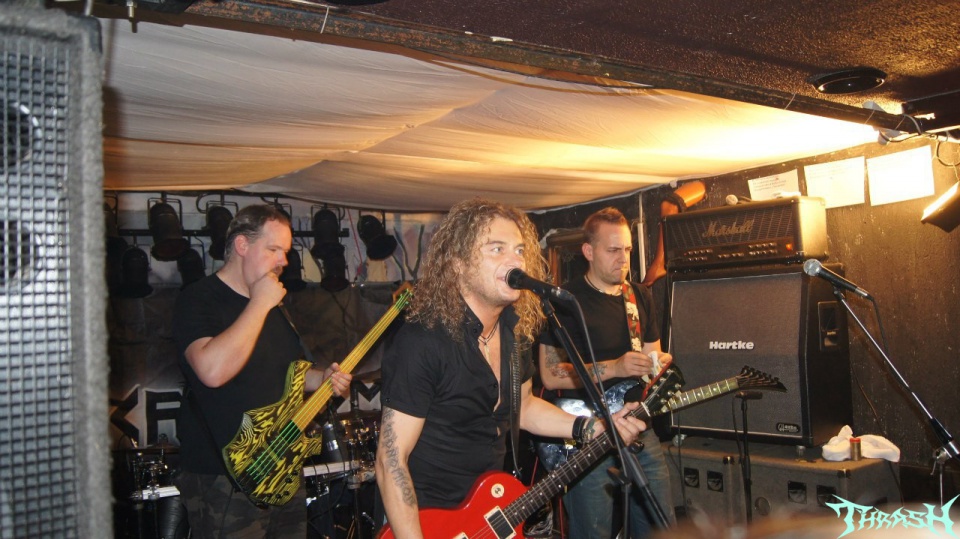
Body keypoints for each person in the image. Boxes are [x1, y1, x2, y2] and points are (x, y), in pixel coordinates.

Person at [374, 198, 647, 539]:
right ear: (458, 264)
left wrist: (593, 427)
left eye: (519, 250)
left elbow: (524, 407)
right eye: (497, 248)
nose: (515, 260)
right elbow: (391, 459)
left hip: (487, 514)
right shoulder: (423, 341)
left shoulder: (514, 335)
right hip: (429, 521)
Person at [173, 204, 352, 538]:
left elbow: (289, 371)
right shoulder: (199, 298)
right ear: (242, 245)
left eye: (285, 252)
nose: (283, 261)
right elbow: (211, 371)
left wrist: (324, 378)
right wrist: (258, 304)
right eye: (273, 250)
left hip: (281, 465)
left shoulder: (273, 306)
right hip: (225, 476)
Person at [538, 206, 676, 539]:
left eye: (627, 249)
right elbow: (550, 374)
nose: (623, 258)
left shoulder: (638, 296)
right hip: (589, 432)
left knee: (661, 527)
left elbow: (650, 356)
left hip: (638, 426)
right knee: (593, 530)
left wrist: (657, 364)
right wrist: (616, 366)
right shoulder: (565, 301)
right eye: (613, 250)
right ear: (588, 251)